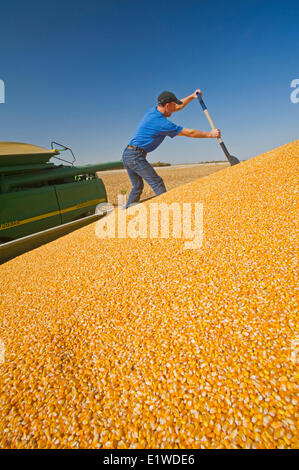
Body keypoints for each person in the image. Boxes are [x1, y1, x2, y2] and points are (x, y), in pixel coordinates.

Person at [122, 89, 221, 208]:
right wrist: (211, 134)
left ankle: (126, 213)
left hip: (128, 154)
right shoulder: (162, 124)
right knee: (157, 183)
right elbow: (189, 133)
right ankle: (167, 214)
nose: (175, 109)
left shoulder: (153, 111)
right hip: (135, 156)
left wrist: (192, 96)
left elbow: (178, 107)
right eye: (173, 105)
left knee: (137, 186)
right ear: (167, 105)